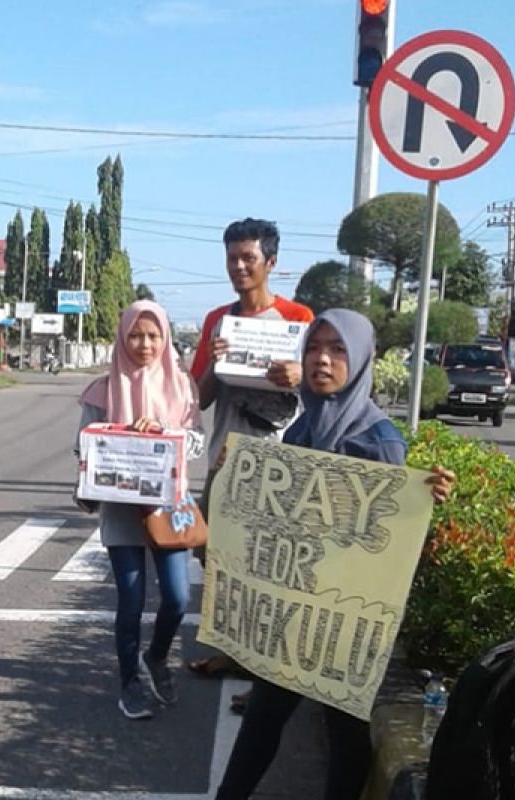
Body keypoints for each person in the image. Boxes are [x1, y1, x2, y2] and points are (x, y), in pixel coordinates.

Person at [213, 308, 455, 800]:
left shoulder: (379, 440)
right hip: (294, 606)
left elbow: (385, 537)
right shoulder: (302, 431)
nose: (322, 360)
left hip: (344, 618)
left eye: (338, 349)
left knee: (345, 732)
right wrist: (234, 474)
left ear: (361, 358)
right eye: (314, 348)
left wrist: (425, 498)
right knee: (263, 715)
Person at [187, 218, 315, 701]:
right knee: (215, 554)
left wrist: (299, 375)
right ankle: (232, 650)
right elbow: (196, 399)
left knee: (269, 565)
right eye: (232, 259)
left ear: (271, 264)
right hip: (226, 458)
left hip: (280, 462)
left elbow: (325, 387)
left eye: (248, 259)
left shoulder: (300, 319)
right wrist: (217, 366)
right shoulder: (218, 321)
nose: (239, 267)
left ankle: (266, 666)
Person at [76, 300, 206, 720]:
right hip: (120, 511)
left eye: (153, 335)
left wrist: (164, 434)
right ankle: (129, 682)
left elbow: (197, 442)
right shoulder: (102, 388)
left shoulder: (184, 386)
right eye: (135, 334)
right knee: (130, 600)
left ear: (165, 337)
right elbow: (83, 444)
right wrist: (119, 435)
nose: (144, 344)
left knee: (177, 597)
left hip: (170, 509)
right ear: (123, 336)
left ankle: (157, 655)